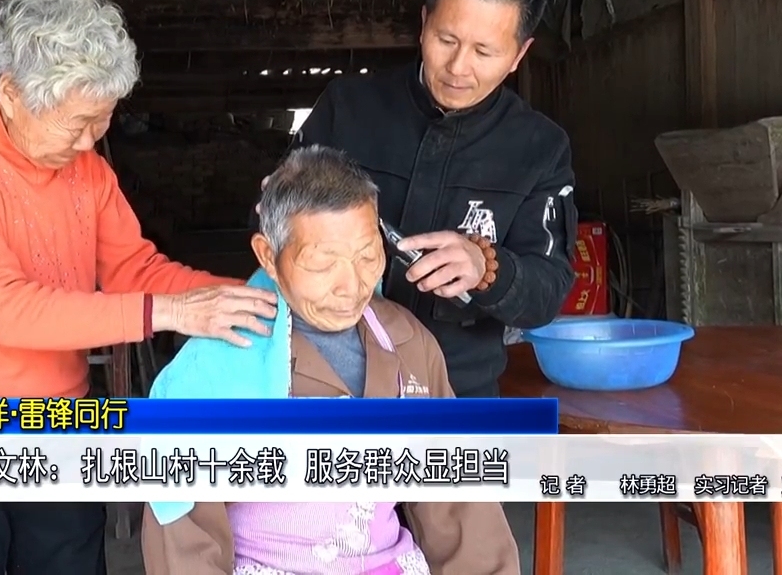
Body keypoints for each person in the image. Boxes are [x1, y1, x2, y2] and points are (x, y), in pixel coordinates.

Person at [0, 0, 278, 575]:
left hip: (61, 420)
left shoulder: (89, 171)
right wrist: (172, 313)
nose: (88, 141)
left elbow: (134, 271)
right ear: (11, 94)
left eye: (101, 121)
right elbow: (6, 308)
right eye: (74, 123)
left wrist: (243, 297)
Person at [142, 146, 520, 575]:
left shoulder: (407, 343)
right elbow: (185, 542)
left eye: (367, 256)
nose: (351, 286)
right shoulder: (214, 367)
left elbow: (458, 499)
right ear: (268, 256)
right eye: (323, 264)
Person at [289, 0, 577, 399]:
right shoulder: (348, 108)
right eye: (446, 40)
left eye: (484, 52)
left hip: (460, 394)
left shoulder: (538, 148)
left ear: (519, 55)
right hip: (327, 385)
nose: (459, 67)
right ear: (424, 24)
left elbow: (548, 290)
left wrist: (488, 269)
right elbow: (270, 224)